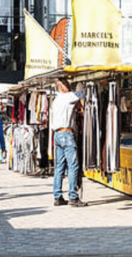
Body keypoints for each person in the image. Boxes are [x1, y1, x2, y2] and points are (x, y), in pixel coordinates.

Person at [50, 78, 87, 207]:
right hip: (66, 133)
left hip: (58, 134)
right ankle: (73, 196)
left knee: (59, 166)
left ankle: (57, 195)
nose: (69, 86)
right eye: (67, 84)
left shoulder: (55, 100)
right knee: (73, 165)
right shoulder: (67, 97)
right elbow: (82, 93)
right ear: (62, 87)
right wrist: (86, 83)